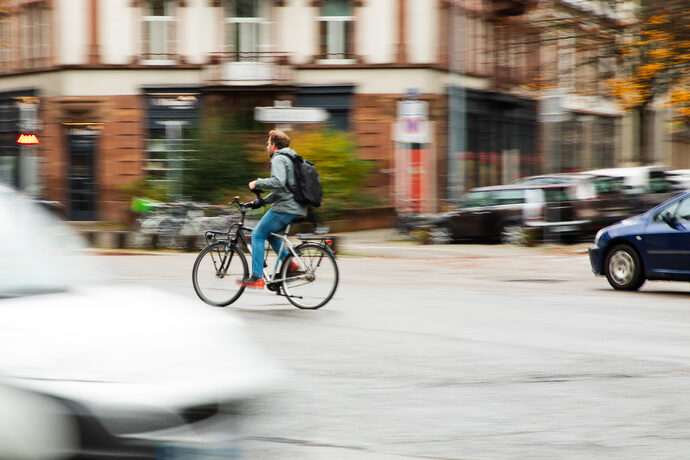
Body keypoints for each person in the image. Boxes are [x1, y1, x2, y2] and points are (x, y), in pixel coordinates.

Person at [238, 129, 307, 289]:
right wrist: (261, 202)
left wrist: (257, 182)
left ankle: (256, 277)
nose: (266, 146)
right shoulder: (290, 158)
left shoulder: (279, 158)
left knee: (257, 234)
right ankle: (290, 265)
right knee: (269, 234)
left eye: (267, 143)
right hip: (296, 207)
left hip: (286, 208)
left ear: (274, 145)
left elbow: (277, 182)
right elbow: (282, 190)